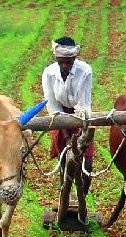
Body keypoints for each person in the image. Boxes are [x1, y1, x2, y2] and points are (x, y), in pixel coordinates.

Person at [42, 36, 94, 196]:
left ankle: (81, 200)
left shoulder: (85, 71)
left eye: (69, 61)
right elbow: (53, 106)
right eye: (61, 61)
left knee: (87, 164)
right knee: (64, 161)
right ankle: (65, 197)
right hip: (59, 117)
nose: (65, 65)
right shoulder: (49, 73)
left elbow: (83, 105)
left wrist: (80, 137)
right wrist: (65, 136)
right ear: (56, 58)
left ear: (75, 58)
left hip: (81, 117)